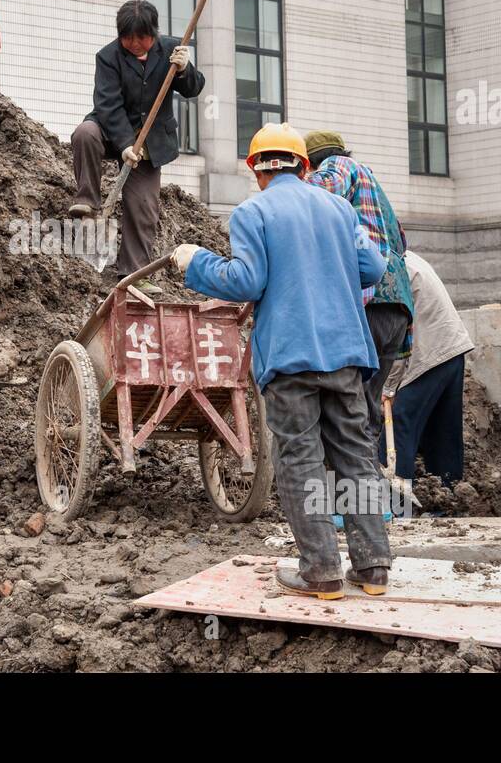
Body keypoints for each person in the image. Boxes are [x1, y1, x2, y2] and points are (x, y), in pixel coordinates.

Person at [172, 123, 390, 600]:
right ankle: (373, 567)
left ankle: (321, 572)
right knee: (357, 456)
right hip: (347, 354)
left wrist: (196, 263)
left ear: (257, 170)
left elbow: (247, 281)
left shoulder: (253, 212)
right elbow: (372, 268)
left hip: (291, 359)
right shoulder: (338, 209)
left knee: (301, 461)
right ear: (304, 166)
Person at [69, 0, 204, 294]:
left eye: (141, 37)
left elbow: (194, 89)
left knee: (143, 205)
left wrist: (184, 69)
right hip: (111, 129)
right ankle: (87, 200)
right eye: (127, 37)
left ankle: (133, 274)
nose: (134, 43)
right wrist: (125, 145)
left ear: (153, 33)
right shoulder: (108, 57)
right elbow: (108, 105)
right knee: (84, 133)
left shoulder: (171, 50)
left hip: (151, 141)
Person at [303, 131, 414, 445]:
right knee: (366, 407)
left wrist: (283, 187)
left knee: (349, 409)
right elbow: (402, 241)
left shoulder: (338, 166)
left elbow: (321, 186)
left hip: (369, 301)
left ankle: (348, 486)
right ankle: (366, 486)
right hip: (397, 307)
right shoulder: (374, 185)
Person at [382, 251, 474, 498]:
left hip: (428, 354)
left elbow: (397, 335)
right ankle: (449, 496)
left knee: (397, 420)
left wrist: (388, 387)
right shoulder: (407, 258)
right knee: (442, 428)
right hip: (452, 349)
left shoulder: (389, 269)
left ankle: (396, 502)